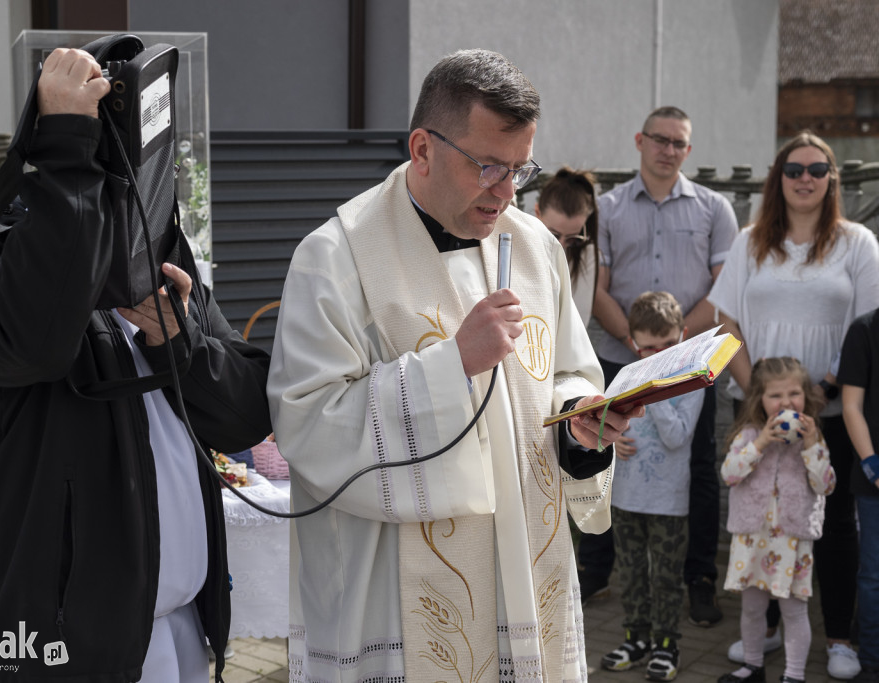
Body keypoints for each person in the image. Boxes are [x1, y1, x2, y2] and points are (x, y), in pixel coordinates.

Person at [267, 49, 641, 682]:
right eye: (489, 167)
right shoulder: (334, 258)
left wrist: (579, 420)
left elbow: (570, 373)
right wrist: (452, 366)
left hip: (524, 569)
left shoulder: (535, 248)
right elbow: (308, 423)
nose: (507, 193)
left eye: (521, 170)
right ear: (423, 148)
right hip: (394, 598)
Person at [0, 47, 272, 682]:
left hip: (177, 636)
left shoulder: (160, 267)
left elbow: (245, 414)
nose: (123, 198)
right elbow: (34, 335)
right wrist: (64, 144)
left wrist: (180, 344)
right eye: (101, 180)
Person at [708, 130, 879, 680]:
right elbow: (726, 322)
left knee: (831, 527)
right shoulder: (750, 240)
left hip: (834, 410)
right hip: (758, 413)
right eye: (793, 169)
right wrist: (758, 397)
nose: (805, 178)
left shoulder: (857, 243)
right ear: (777, 178)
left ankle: (839, 636)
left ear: (832, 180)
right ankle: (773, 631)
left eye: (818, 169)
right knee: (761, 516)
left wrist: (822, 391)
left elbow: (865, 328)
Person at [587, 106, 739, 626]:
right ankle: (601, 571)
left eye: (679, 143)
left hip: (689, 362)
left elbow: (724, 290)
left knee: (697, 468)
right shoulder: (606, 209)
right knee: (611, 456)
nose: (669, 149)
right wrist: (639, 348)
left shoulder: (714, 209)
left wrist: (672, 352)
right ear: (640, 140)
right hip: (623, 357)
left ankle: (697, 578)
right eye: (660, 139)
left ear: (688, 151)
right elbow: (596, 288)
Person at [599, 291, 703, 681]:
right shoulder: (625, 377)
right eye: (647, 349)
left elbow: (678, 438)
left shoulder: (689, 385)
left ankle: (666, 644)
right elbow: (605, 426)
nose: (657, 354)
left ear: (683, 336)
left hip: (667, 502)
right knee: (630, 572)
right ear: (633, 344)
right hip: (626, 498)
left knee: (665, 577)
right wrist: (613, 439)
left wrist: (655, 390)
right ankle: (636, 638)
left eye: (667, 346)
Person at [716, 357, 835, 683]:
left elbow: (826, 484)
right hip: (753, 536)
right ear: (759, 400)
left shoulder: (813, 439)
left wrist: (811, 446)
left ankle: (794, 674)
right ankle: (753, 666)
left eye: (793, 394)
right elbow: (729, 474)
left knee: (794, 611)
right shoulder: (750, 435)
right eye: (775, 396)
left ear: (805, 397)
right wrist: (761, 443)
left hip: (793, 539)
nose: (785, 403)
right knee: (752, 609)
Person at [838, 308, 879, 683]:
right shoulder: (864, 331)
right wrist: (873, 466)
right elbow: (851, 406)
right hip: (874, 482)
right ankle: (871, 659)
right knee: (873, 576)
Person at [534, 166, 600, 326]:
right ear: (537, 213)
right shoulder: (518, 243)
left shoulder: (587, 252)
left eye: (573, 239)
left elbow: (578, 322)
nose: (561, 247)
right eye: (553, 236)